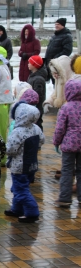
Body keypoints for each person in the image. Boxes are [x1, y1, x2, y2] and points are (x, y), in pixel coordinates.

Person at [4, 102, 44, 222]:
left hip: (18, 167)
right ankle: (17, 209)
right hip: (31, 165)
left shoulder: (18, 132)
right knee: (21, 187)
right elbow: (41, 141)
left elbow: (10, 149)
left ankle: (32, 212)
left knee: (20, 189)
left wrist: (3, 149)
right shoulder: (36, 128)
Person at [53, 79, 81, 207]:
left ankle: (64, 198)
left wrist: (56, 142)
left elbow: (60, 128)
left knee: (67, 170)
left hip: (69, 145)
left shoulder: (66, 107)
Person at [45, 18, 73, 84]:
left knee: (59, 84)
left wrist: (56, 58)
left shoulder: (67, 36)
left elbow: (67, 51)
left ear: (63, 25)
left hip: (58, 64)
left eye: (58, 24)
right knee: (54, 83)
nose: (56, 26)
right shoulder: (54, 36)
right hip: (50, 63)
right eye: (55, 24)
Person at [27, 55, 48, 130]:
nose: (28, 64)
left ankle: (39, 139)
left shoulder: (38, 79)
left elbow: (37, 95)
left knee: (37, 124)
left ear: (35, 65)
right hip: (32, 106)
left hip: (37, 107)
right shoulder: (33, 76)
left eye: (30, 63)